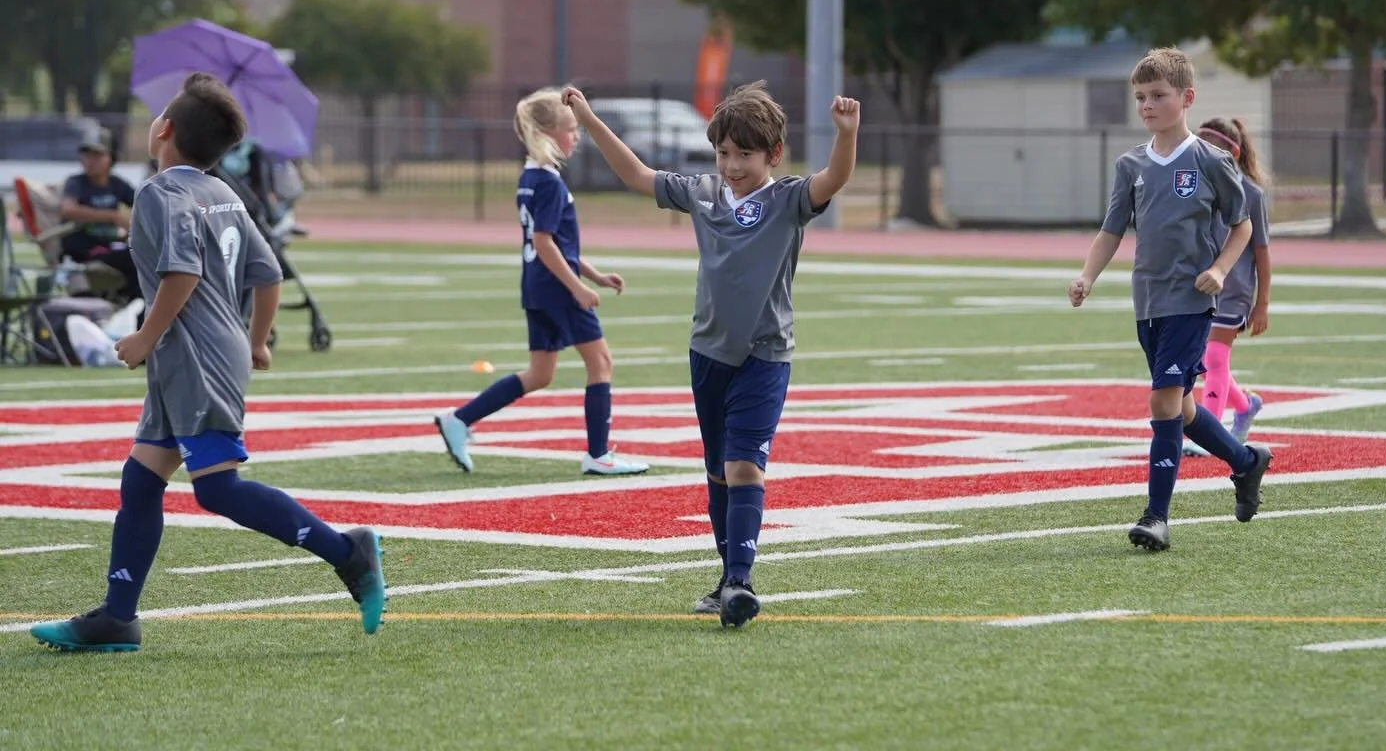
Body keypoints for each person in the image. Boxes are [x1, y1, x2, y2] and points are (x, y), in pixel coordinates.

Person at [30, 73, 386, 653]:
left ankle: (349, 552)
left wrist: (144, 336)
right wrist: (257, 341)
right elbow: (268, 273)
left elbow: (182, 273)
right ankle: (118, 618)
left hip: (194, 358)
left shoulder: (159, 192)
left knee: (218, 489)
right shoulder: (222, 192)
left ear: (164, 129)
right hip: (195, 357)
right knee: (141, 480)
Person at [565, 80, 859, 627]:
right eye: (723, 153)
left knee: (744, 465)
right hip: (707, 353)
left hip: (764, 356)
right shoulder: (701, 191)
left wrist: (846, 135)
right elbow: (636, 175)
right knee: (718, 472)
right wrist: (588, 119)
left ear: (773, 154)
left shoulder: (787, 199)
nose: (731, 165)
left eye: (744, 154)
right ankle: (726, 580)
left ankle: (741, 581)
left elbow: (834, 179)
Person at [1069, 47, 1272, 552]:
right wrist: (1087, 276)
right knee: (1180, 409)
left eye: (1158, 95)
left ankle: (1156, 516)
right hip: (1148, 303)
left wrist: (1219, 270)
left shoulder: (1210, 161)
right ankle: (1246, 462)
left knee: (1161, 401)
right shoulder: (1131, 164)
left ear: (1187, 98)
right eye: (1140, 97)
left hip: (1190, 304)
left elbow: (1243, 226)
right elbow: (1112, 230)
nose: (1147, 105)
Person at [434, 88, 649, 477]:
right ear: (547, 134)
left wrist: (595, 275)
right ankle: (598, 454)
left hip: (537, 285)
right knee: (601, 362)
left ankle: (459, 419)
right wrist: (577, 288)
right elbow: (545, 242)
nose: (577, 136)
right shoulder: (549, 182)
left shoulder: (531, 177)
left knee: (540, 374)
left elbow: (557, 245)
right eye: (571, 129)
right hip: (555, 287)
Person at [1184, 117, 1271, 456]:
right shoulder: (1196, 190)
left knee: (1215, 357)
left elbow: (1262, 253)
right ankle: (1246, 405)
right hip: (1201, 290)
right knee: (1206, 362)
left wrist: (1262, 304)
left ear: (1232, 153)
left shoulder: (1252, 194)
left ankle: (1209, 434)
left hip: (1235, 293)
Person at [59, 127, 142, 302]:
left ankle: (136, 306)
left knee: (142, 254)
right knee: (134, 259)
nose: (91, 160)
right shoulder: (76, 183)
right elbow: (68, 210)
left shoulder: (117, 185)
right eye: (87, 154)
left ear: (111, 158)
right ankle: (140, 309)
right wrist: (112, 216)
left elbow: (143, 205)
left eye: (97, 155)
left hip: (111, 248)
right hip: (85, 254)